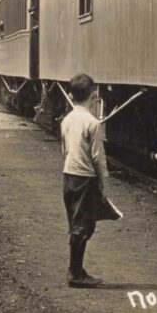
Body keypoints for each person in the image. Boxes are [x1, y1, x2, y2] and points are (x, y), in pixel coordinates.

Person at [61, 73, 109, 287]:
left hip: (69, 175)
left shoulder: (67, 119)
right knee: (84, 226)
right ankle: (75, 273)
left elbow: (65, 149)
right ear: (94, 95)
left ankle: (77, 269)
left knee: (76, 222)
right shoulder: (93, 122)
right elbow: (98, 156)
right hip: (85, 177)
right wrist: (103, 180)